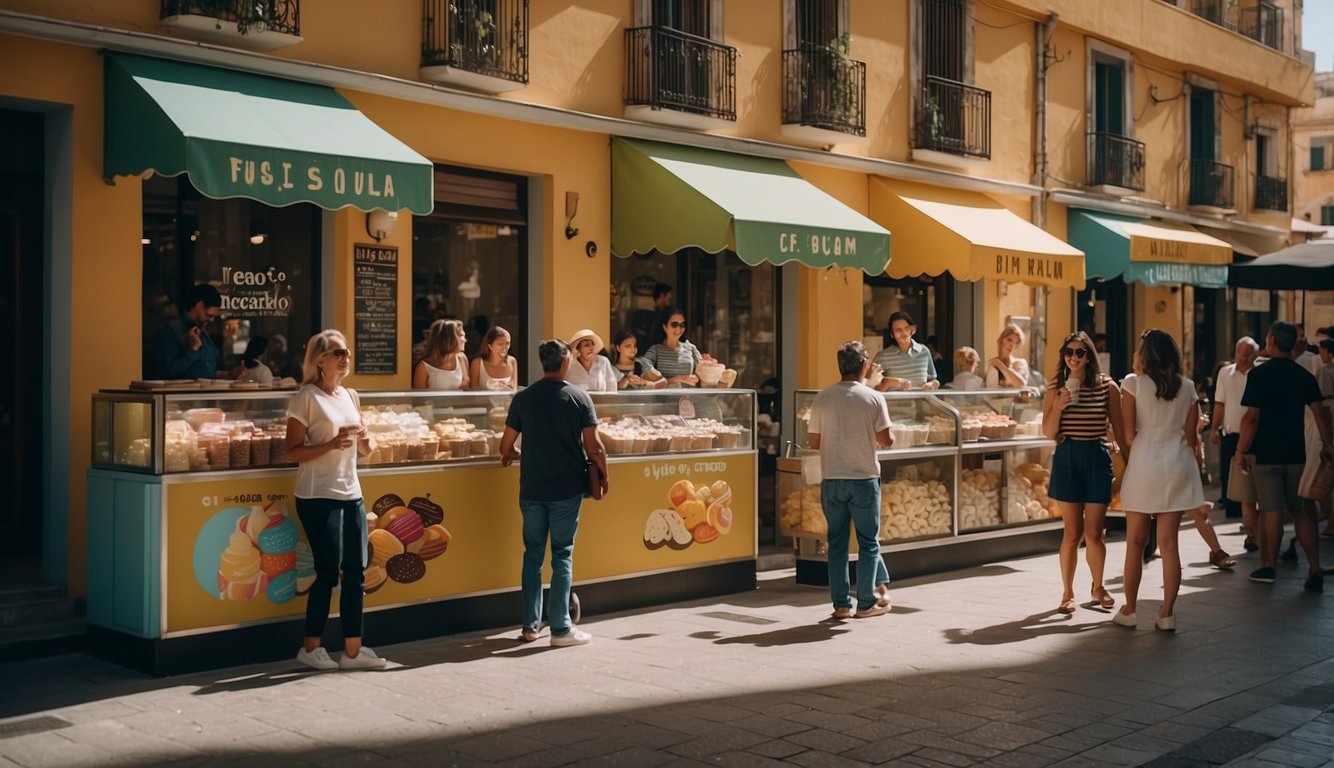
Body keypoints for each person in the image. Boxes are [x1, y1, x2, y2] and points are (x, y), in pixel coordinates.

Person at [285, 330, 385, 671]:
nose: (344, 357)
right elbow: (291, 450)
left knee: (356, 572)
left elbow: (365, 451)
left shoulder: (351, 396)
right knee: (328, 573)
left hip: (351, 492)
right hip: (316, 495)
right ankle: (310, 647)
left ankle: (353, 652)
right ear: (319, 360)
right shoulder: (306, 397)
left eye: (347, 352)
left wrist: (366, 440)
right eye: (337, 352)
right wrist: (330, 444)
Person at [499, 340, 609, 647]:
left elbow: (505, 447)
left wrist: (523, 455)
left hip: (532, 487)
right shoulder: (579, 397)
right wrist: (604, 472)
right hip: (566, 488)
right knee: (562, 555)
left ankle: (530, 627)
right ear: (565, 364)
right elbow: (594, 446)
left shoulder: (524, 397)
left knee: (532, 555)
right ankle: (560, 628)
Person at [1114, 330, 1207, 632]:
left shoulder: (1132, 383)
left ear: (1144, 353)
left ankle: (1129, 609)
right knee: (1169, 545)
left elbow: (1127, 434)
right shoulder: (1189, 387)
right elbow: (1192, 439)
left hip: (1145, 463)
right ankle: (1166, 613)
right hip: (1178, 464)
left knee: (1135, 542)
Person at [1237, 321, 1334, 591]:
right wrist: (1328, 445)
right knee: (1300, 508)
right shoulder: (1303, 375)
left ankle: (1268, 566)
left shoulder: (1259, 375)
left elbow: (1251, 418)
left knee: (1271, 510)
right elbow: (1320, 412)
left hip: (1266, 452)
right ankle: (1314, 566)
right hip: (1296, 451)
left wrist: (1240, 450)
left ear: (1270, 342)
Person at [807, 341, 894, 620]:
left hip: (832, 478)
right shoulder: (873, 398)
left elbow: (813, 441)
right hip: (864, 478)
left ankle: (841, 605)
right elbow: (887, 440)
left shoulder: (822, 397)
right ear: (865, 365)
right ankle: (866, 603)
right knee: (868, 543)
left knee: (837, 544)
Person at [1043, 331, 1128, 615]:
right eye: (1069, 352)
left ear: (1089, 356)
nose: (1074, 357)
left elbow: (1119, 429)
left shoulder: (1108, 386)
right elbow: (1049, 431)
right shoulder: (1056, 386)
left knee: (1094, 532)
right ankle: (1067, 593)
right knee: (1071, 532)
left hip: (1096, 456)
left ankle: (1098, 586)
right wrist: (1058, 406)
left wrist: (1130, 465)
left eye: (1080, 352)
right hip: (1068, 456)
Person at [1212, 338, 1261, 542]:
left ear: (1255, 356)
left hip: (1256, 435)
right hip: (1232, 433)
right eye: (1239, 352)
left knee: (1254, 484)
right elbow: (1220, 402)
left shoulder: (1260, 373)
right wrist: (1214, 428)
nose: (1242, 357)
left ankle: (1254, 529)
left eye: (1247, 354)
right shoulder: (1225, 373)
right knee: (1234, 480)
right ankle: (1244, 522)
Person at [155, 283, 222, 379]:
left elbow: (210, 371)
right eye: (209, 315)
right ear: (199, 306)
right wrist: (193, 348)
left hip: (208, 392)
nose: (212, 320)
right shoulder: (171, 331)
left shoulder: (204, 332)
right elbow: (167, 373)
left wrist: (230, 374)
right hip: (182, 393)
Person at [873, 311, 939, 390]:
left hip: (921, 402)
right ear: (892, 334)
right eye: (898, 330)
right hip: (892, 402)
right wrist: (890, 382)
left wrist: (932, 384)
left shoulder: (924, 351)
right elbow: (872, 388)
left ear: (912, 329)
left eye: (907, 328)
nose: (904, 333)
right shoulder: (883, 356)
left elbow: (933, 379)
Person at [641, 307, 704, 387]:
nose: (679, 329)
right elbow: (644, 366)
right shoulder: (656, 350)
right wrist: (679, 379)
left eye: (682, 325)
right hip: (664, 399)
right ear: (665, 327)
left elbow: (704, 374)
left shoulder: (691, 348)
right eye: (674, 325)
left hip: (688, 398)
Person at [413, 319, 470, 390]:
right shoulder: (423, 367)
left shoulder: (462, 359)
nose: (465, 340)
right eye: (461, 336)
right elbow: (419, 399)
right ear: (448, 339)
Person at [469, 326, 518, 391]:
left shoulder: (512, 361)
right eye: (500, 344)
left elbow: (514, 391)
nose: (505, 348)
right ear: (490, 346)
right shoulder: (477, 363)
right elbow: (473, 394)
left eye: (507, 343)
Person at [984, 323, 1031, 389]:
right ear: (1000, 340)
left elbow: (1021, 384)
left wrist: (1000, 365)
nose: (1012, 345)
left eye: (1016, 342)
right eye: (1009, 340)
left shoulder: (1020, 363)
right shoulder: (990, 364)